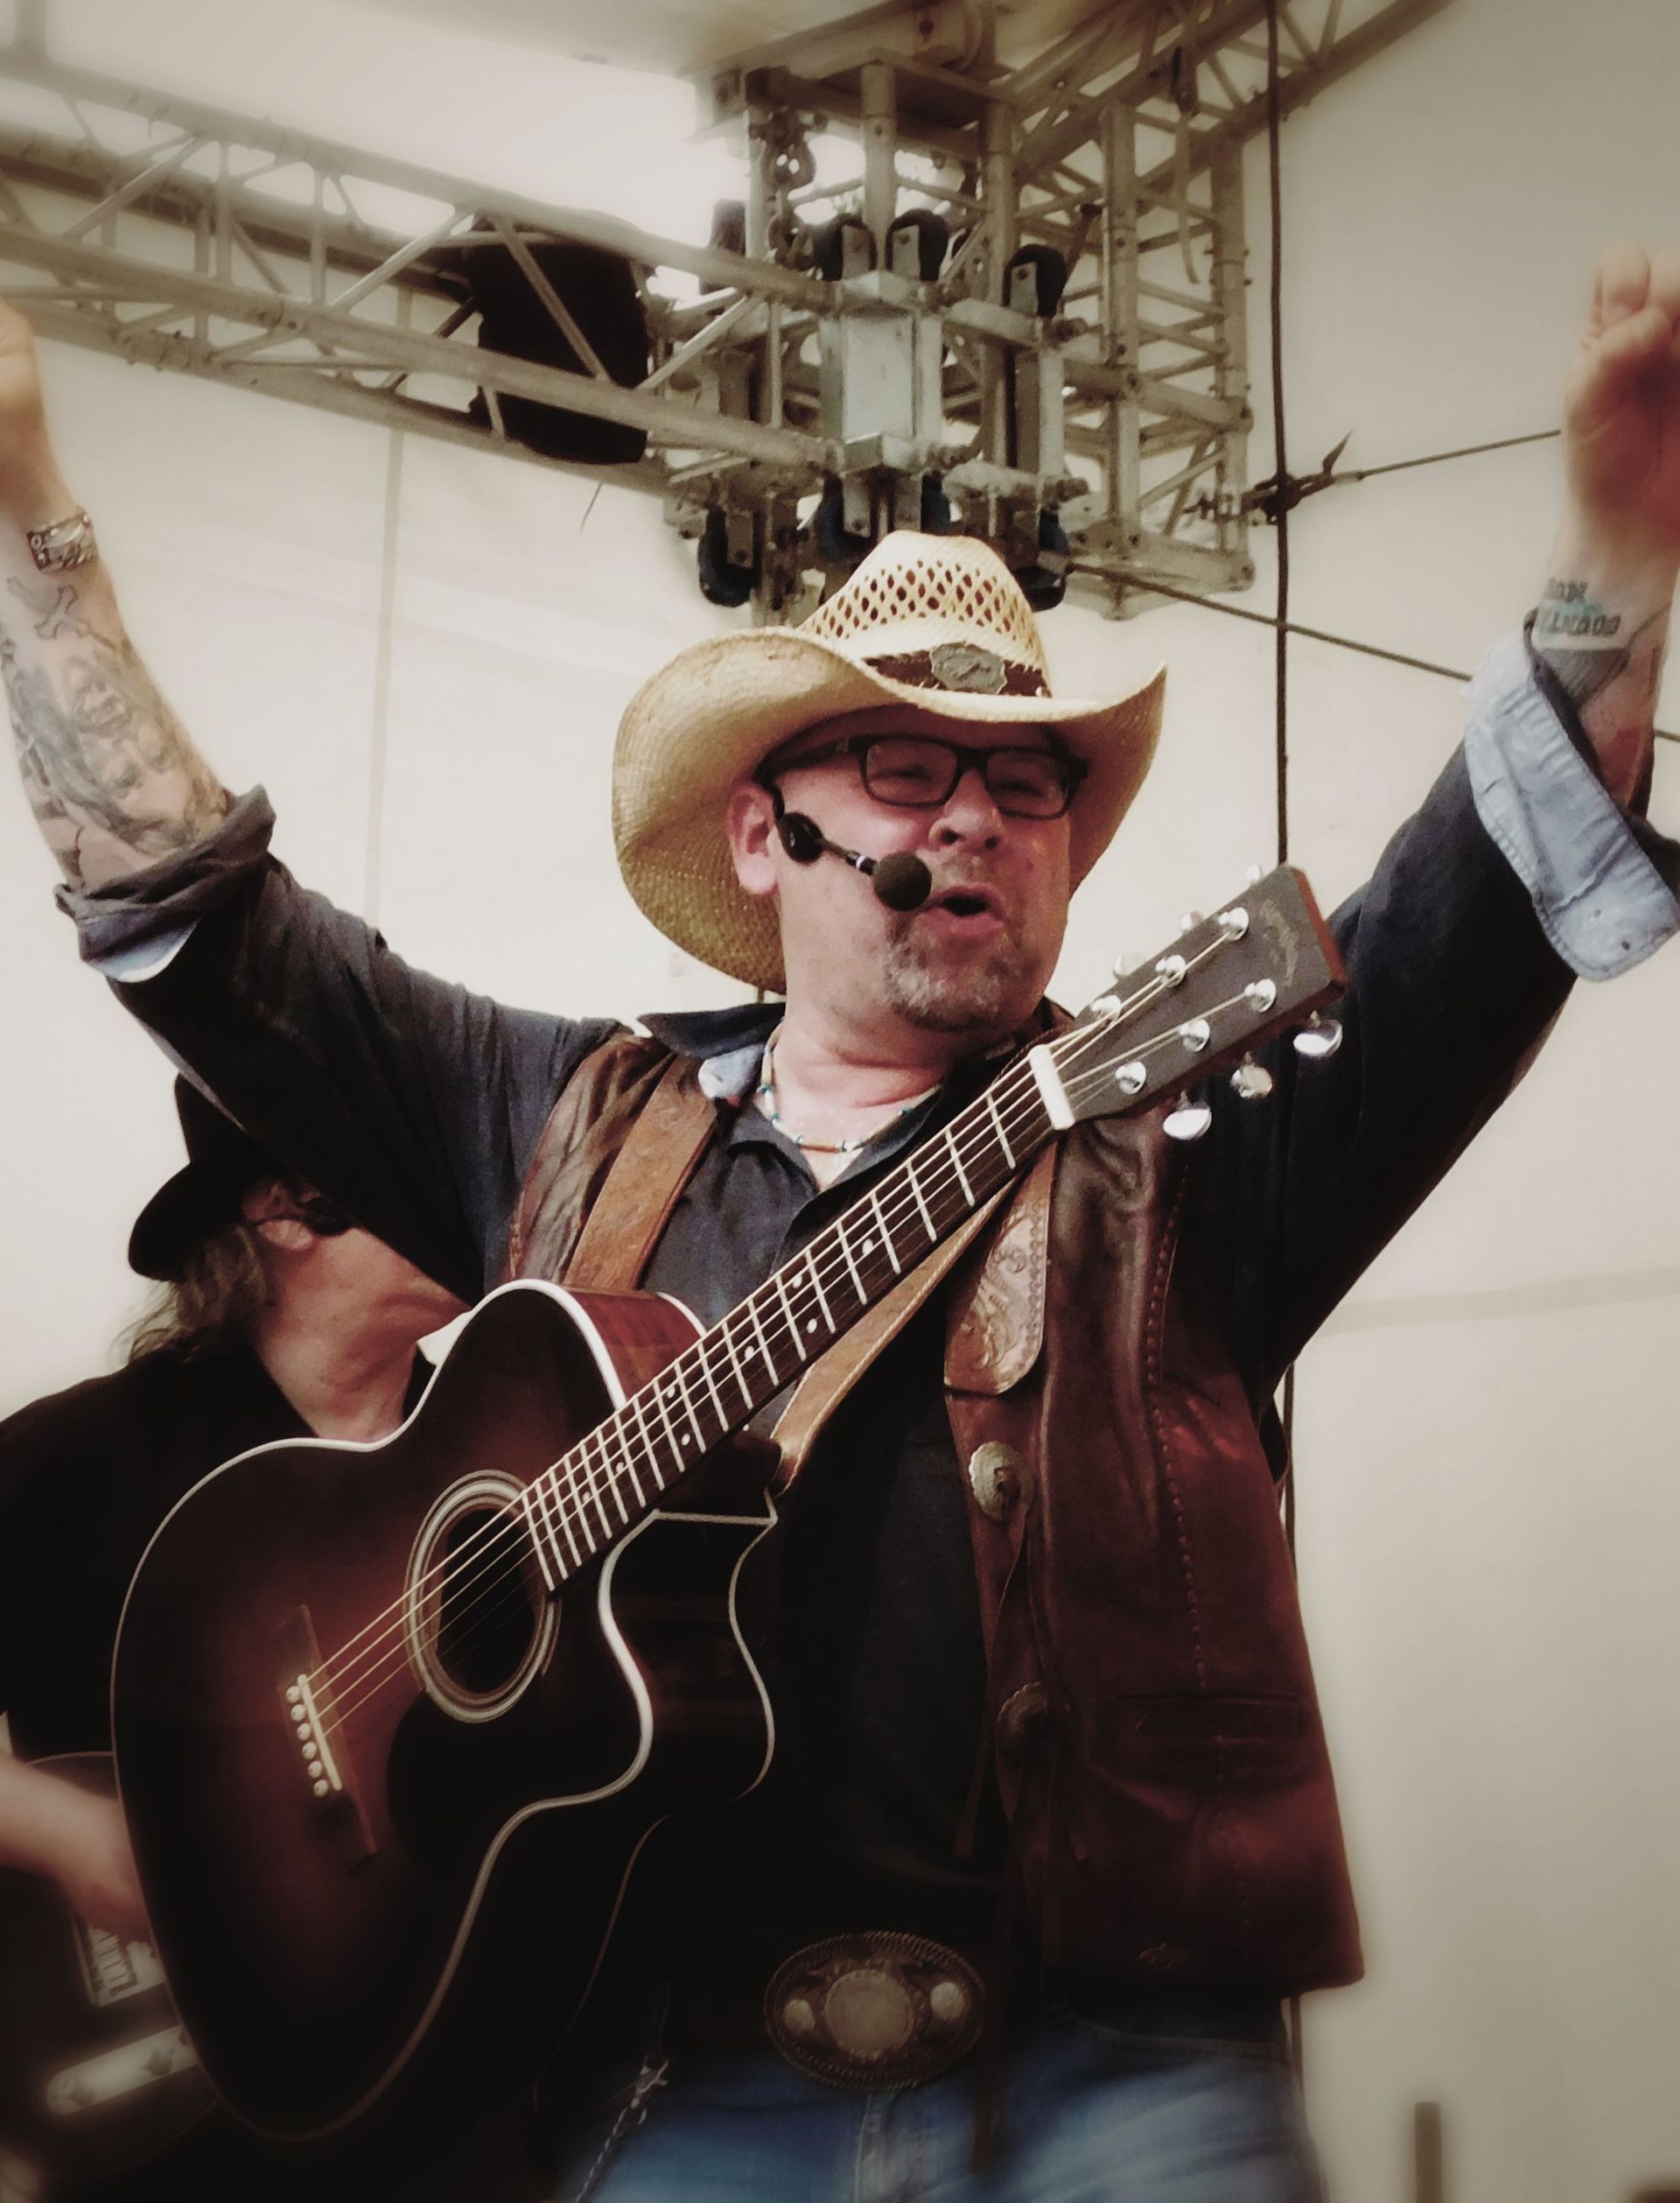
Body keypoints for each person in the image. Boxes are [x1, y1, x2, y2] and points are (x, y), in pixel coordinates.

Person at [0, 242, 1677, 2201]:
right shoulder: (556, 1120)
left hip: (1121, 2084)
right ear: (759, 830)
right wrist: (29, 510)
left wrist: (1615, 555)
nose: (976, 816)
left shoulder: (1183, 1153)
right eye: (905, 764)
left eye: (1031, 785)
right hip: (681, 2080)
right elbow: (204, 931)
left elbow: (1477, 910)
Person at [0, 1078, 468, 2200]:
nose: (479, 1192)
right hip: (158, 2125)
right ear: (284, 1210)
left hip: (442, 2114)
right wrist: (64, 1833)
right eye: (426, 1165)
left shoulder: (498, 1467)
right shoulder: (80, 1458)